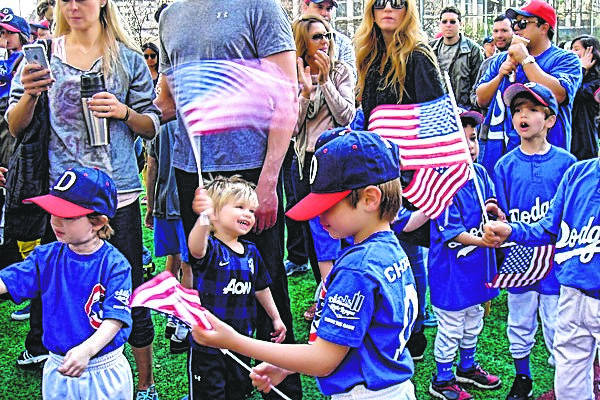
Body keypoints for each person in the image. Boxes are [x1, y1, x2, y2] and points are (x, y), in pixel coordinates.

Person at [6, 0, 160, 397]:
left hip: (118, 196)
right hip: (62, 196)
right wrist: (31, 95)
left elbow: (152, 125)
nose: (74, 5)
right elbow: (14, 125)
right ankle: (64, 356)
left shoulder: (126, 58)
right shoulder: (43, 56)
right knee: (60, 284)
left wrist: (124, 112)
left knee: (129, 292)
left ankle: (145, 383)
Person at [192, 131, 418, 400]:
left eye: (328, 204)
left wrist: (232, 341)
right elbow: (363, 341)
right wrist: (287, 366)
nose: (319, 216)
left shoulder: (357, 268)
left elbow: (324, 359)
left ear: (369, 199)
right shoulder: (390, 251)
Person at [155, 1, 301, 397]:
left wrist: (269, 178)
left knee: (264, 277)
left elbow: (287, 94)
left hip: (250, 170)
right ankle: (216, 385)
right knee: (206, 281)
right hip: (194, 172)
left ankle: (283, 388)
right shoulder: (170, 15)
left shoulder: (260, 8)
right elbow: (169, 100)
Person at [354, 0, 446, 359]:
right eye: (380, 4)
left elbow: (436, 115)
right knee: (381, 245)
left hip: (411, 168)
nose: (388, 9)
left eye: (397, 3)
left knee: (407, 248)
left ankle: (416, 329)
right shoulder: (371, 55)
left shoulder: (419, 55)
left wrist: (425, 172)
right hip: (379, 167)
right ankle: (391, 321)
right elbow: (369, 113)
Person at [0, 167, 133, 400]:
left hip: (103, 368)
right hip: (58, 365)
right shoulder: (45, 257)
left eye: (68, 216)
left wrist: (87, 350)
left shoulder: (115, 264)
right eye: (53, 212)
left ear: (98, 221)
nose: (56, 221)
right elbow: (9, 280)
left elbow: (116, 319)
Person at [482, 154, 600, 400]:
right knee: (569, 385)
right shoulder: (577, 173)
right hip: (571, 294)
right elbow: (547, 228)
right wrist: (513, 230)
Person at [493, 82, 576, 400]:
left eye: (532, 110)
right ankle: (522, 376)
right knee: (520, 319)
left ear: (550, 119)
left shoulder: (566, 163)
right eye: (517, 110)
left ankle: (564, 380)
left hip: (555, 258)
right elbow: (500, 215)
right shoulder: (505, 165)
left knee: (557, 323)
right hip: (520, 255)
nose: (522, 116)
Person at [187, 176, 286, 399]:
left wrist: (276, 318)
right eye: (240, 207)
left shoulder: (251, 252)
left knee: (238, 392)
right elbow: (195, 248)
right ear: (215, 213)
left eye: (251, 210)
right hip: (208, 345)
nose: (248, 215)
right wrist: (203, 218)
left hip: (241, 343)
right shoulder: (210, 248)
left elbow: (261, 287)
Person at [428, 109, 501, 400]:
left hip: (476, 270)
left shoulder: (480, 172)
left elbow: (490, 203)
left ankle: (467, 367)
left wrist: (497, 214)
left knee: (474, 320)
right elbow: (453, 232)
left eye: (473, 139)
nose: (470, 145)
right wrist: (484, 240)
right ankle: (442, 379)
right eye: (462, 139)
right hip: (451, 274)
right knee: (451, 326)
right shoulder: (443, 183)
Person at [291, 14, 355, 317]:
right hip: (306, 164)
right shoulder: (293, 73)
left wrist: (326, 82)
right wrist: (305, 92)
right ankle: (326, 298)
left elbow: (346, 116)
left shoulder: (341, 70)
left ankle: (348, 297)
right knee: (317, 236)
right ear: (303, 41)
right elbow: (291, 128)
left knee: (346, 230)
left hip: (338, 162)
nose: (325, 41)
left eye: (327, 35)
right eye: (317, 36)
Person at [475, 0, 582, 168]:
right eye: (514, 23)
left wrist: (525, 60)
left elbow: (559, 95)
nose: (516, 28)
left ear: (544, 27)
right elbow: (480, 99)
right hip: (500, 155)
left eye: (523, 22)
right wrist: (500, 75)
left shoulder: (566, 59)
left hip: (546, 159)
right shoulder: (501, 60)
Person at [145, 119, 193, 354]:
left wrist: (151, 206)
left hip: (164, 201)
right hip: (187, 204)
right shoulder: (193, 119)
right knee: (189, 263)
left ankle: (172, 316)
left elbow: (151, 166)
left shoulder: (159, 123)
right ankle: (183, 323)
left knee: (173, 258)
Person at [470, 14, 513, 168]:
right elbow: (475, 97)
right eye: (495, 31)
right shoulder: (488, 64)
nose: (499, 35)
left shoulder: (528, 62)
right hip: (488, 134)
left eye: (504, 30)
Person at [429, 6, 484, 109]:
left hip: (464, 110)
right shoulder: (430, 49)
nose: (448, 25)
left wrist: (472, 111)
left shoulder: (472, 49)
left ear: (460, 24)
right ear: (439, 24)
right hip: (437, 110)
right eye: (444, 22)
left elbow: (478, 83)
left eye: (452, 22)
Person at [300, 0, 356, 81]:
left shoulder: (344, 43)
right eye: (320, 7)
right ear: (305, 7)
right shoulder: (289, 38)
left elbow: (350, 82)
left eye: (329, 9)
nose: (324, 13)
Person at [570, 34, 600, 161]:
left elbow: (576, 94)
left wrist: (582, 69)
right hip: (569, 138)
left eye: (576, 49)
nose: (571, 53)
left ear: (590, 53)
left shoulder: (596, 81)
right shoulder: (572, 75)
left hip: (584, 142)